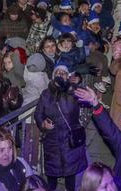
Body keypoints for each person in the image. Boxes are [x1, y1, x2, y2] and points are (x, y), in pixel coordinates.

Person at [34, 62, 88, 191]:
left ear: (67, 76)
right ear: (53, 76)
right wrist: (43, 124)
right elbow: (38, 113)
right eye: (57, 73)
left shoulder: (72, 90)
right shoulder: (46, 94)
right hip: (52, 141)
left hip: (70, 140)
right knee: (52, 174)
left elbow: (86, 97)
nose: (60, 75)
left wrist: (75, 84)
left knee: (70, 174)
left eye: (63, 73)